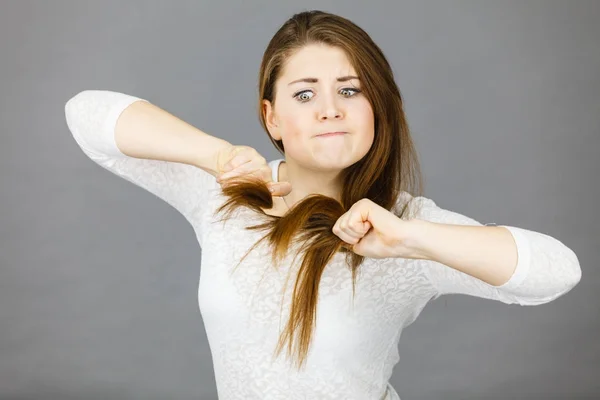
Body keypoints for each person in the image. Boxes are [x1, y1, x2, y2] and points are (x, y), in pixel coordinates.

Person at [64, 10, 581, 400]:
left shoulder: (404, 229)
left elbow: (557, 272)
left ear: (377, 106)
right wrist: (217, 154)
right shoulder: (226, 193)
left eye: (350, 90)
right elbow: (87, 115)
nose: (330, 109)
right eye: (305, 94)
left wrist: (408, 238)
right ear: (272, 119)